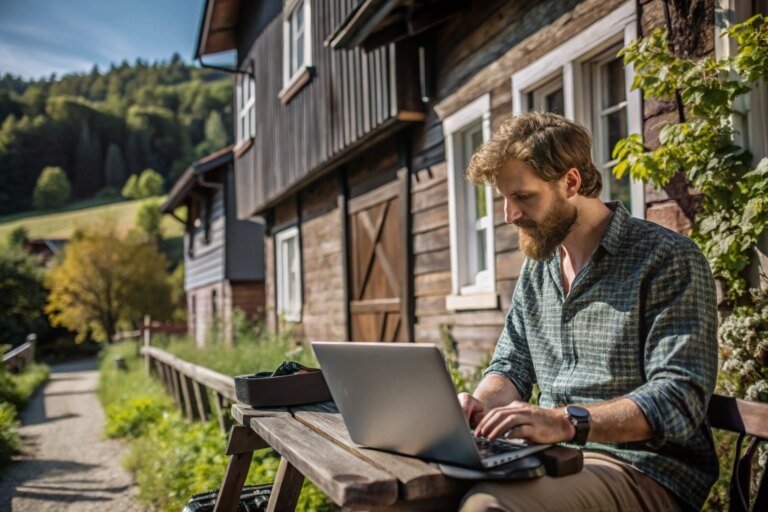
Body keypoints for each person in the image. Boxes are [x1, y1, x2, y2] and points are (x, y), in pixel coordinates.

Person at [457, 112, 718, 511]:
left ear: (571, 182)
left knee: (487, 507)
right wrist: (479, 406)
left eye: (523, 197)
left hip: (645, 468)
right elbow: (512, 365)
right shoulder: (539, 266)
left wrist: (563, 422)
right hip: (552, 456)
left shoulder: (666, 259)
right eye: (505, 199)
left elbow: (677, 398)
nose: (510, 216)